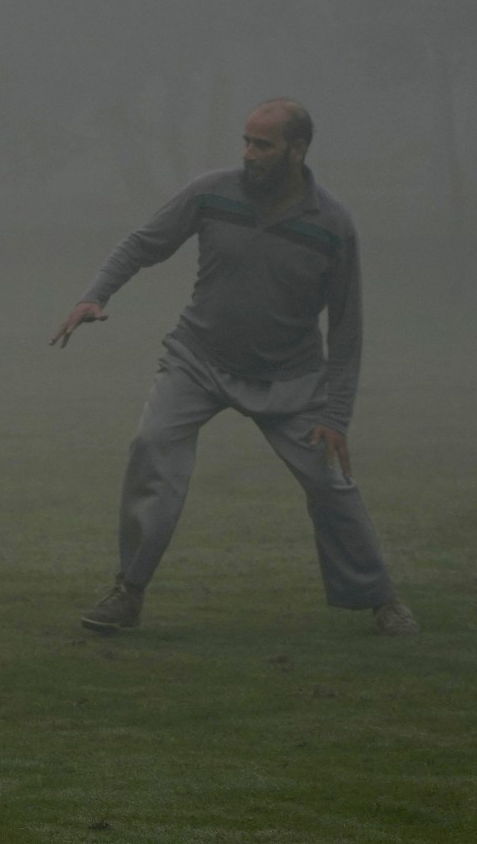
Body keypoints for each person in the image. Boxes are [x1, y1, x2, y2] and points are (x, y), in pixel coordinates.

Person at [52, 99, 418, 637]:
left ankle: (381, 599)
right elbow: (142, 244)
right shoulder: (210, 193)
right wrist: (93, 295)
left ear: (298, 149)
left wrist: (336, 415)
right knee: (152, 447)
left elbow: (347, 328)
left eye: (263, 144)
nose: (249, 154)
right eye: (246, 141)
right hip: (198, 360)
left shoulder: (332, 224)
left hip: (291, 378)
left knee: (332, 484)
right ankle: (127, 592)